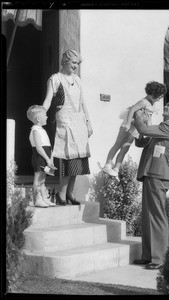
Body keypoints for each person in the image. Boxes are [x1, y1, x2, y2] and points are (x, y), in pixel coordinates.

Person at [133, 96, 169, 269]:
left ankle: (159, 259)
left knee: (157, 216)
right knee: (147, 216)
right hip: (150, 173)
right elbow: (142, 141)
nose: (166, 106)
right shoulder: (161, 128)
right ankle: (148, 255)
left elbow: (143, 128)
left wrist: (136, 114)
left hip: (158, 175)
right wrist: (142, 124)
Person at [42, 49, 93, 206]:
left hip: (79, 123)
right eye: (73, 62)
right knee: (68, 160)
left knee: (78, 161)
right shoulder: (55, 79)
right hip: (65, 123)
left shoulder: (77, 80)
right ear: (65, 61)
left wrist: (89, 122)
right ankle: (61, 193)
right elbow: (48, 100)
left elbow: (83, 102)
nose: (76, 66)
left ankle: (70, 193)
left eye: (78, 63)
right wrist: (40, 115)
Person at [103, 81, 167, 177]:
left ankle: (116, 168)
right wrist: (128, 123)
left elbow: (148, 119)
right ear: (153, 94)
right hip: (129, 125)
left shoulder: (151, 105)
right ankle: (107, 165)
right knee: (118, 144)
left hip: (135, 130)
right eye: (158, 97)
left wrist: (147, 130)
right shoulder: (143, 102)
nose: (159, 99)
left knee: (125, 148)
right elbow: (132, 110)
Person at [27, 105, 57, 208]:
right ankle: (37, 199)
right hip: (40, 159)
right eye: (45, 115)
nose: (47, 117)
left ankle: (44, 198)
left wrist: (50, 158)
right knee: (38, 179)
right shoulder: (36, 130)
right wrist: (48, 159)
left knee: (43, 180)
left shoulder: (42, 130)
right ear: (38, 118)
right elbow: (39, 148)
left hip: (46, 158)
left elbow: (48, 146)